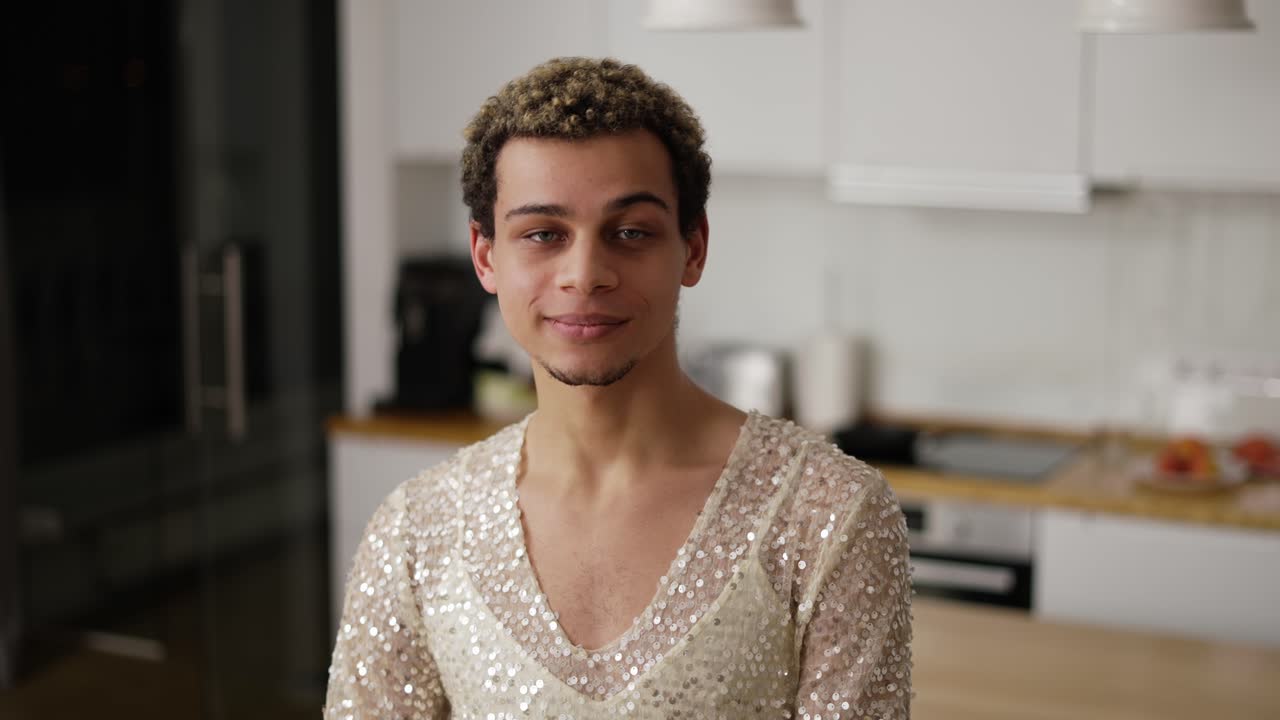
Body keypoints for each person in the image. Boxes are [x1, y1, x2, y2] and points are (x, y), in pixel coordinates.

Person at [324, 57, 913, 719]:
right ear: (486, 257)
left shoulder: (829, 517)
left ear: (693, 248)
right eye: (543, 234)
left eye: (630, 232)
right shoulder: (417, 532)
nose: (585, 274)